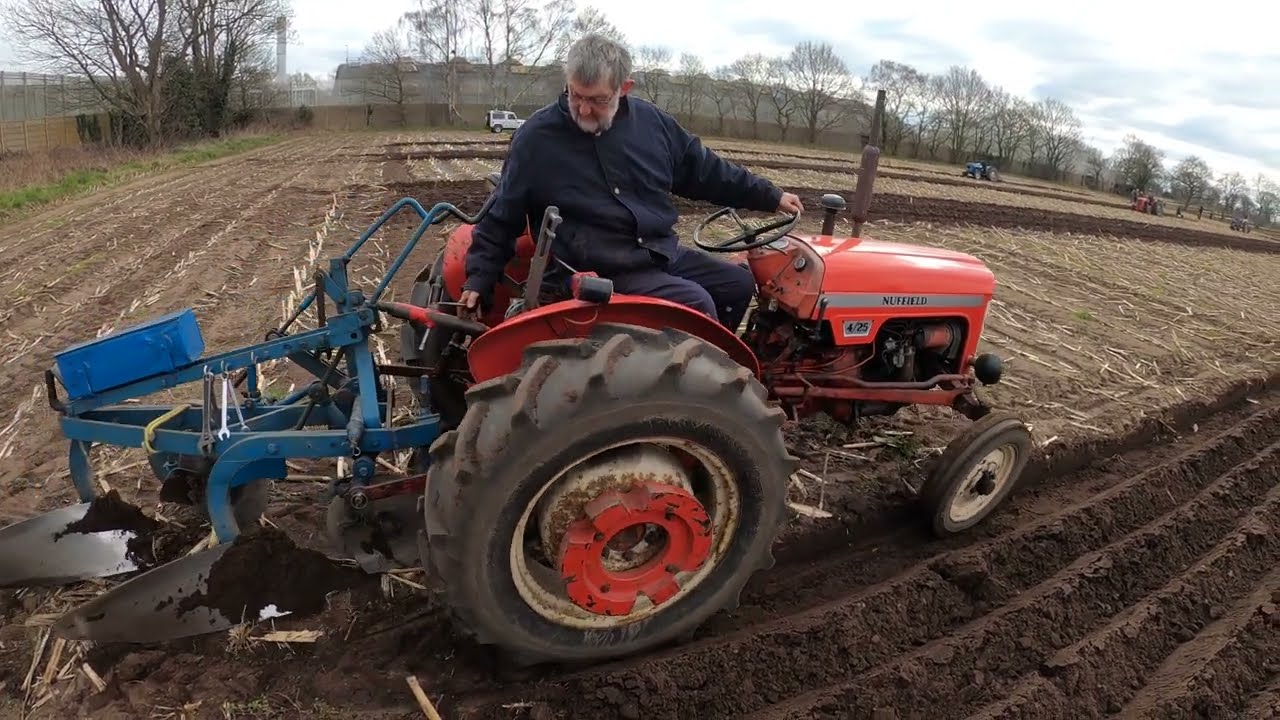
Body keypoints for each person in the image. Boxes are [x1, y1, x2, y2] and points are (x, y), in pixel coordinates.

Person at [458, 33, 804, 332]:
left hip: (654, 252)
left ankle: (713, 370)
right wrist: (479, 278)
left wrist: (770, 195)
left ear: (624, 88)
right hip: (593, 266)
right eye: (575, 95)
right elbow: (503, 214)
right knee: (695, 305)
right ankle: (694, 392)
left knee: (736, 283)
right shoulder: (537, 138)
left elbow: (707, 172)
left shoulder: (653, 125)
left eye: (597, 100)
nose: (584, 109)